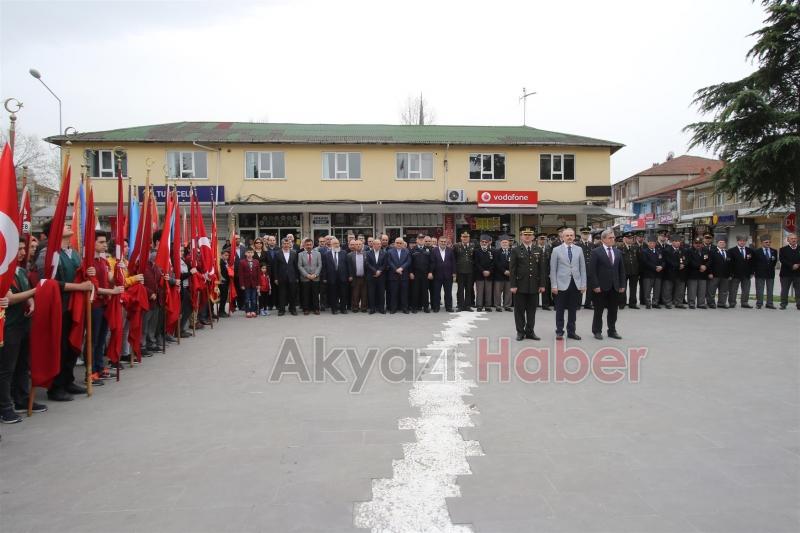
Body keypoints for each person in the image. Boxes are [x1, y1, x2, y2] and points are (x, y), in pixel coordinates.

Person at [48, 225, 95, 402]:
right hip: (60, 306)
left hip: (77, 307)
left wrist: (89, 272)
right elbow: (50, 283)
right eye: (64, 224)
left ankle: (68, 380)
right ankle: (56, 386)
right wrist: (78, 287)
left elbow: (82, 274)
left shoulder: (74, 253)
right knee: (61, 347)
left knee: (73, 345)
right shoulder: (50, 253)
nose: (68, 225)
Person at [0, 240, 44, 424]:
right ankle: (5, 407)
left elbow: (25, 295)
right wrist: (37, 290)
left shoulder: (20, 271)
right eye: (17, 249)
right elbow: (9, 298)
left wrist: (31, 301)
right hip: (8, 326)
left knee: (22, 365)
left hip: (23, 324)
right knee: (6, 369)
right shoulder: (4, 273)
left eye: (23, 249)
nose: (22, 252)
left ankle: (22, 398)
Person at [510, 227, 546, 341]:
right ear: (521, 236)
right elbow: (513, 269)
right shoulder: (516, 250)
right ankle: (520, 332)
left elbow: (542, 269)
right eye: (525, 234)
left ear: (533, 237)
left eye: (529, 235)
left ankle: (530, 331)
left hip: (534, 286)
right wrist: (513, 285)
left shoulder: (538, 250)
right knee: (519, 310)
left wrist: (542, 285)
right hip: (520, 286)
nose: (527, 236)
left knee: (532, 311)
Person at [588, 229, 625, 340]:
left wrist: (622, 285)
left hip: (615, 286)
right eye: (610, 238)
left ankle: (612, 331)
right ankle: (597, 331)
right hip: (601, 287)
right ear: (603, 239)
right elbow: (592, 271)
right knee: (598, 311)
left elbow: (621, 270)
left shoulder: (617, 252)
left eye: (613, 237)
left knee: (613, 310)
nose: (613, 239)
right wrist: (595, 286)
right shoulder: (596, 252)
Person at [550, 227, 586, 340]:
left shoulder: (579, 249)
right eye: (567, 235)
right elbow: (553, 269)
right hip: (561, 285)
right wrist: (554, 285)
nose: (569, 237)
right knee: (560, 309)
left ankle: (571, 332)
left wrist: (583, 284)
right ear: (562, 237)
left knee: (573, 310)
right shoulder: (556, 250)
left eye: (571, 235)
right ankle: (559, 331)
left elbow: (582, 268)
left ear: (574, 237)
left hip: (575, 284)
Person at [273, 238, 299, 316]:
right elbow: (275, 267)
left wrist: (297, 277)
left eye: (288, 243)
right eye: (284, 243)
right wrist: (276, 278)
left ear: (290, 244)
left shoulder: (294, 253)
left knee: (292, 294)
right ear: (282, 244)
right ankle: (281, 309)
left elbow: (296, 266)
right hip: (281, 277)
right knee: (282, 294)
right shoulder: (277, 253)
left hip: (292, 277)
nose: (286, 245)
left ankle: (292, 309)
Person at [322, 237, 349, 314]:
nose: (336, 245)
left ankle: (343, 309)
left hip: (343, 277)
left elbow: (347, 265)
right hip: (331, 278)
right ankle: (334, 309)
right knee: (333, 294)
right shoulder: (326, 254)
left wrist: (349, 275)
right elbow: (324, 267)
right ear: (331, 244)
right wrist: (324, 277)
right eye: (334, 243)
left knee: (343, 294)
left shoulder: (344, 253)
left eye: (337, 243)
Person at [662, 234, 688, 309]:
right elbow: (668, 261)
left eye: (678, 241)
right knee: (668, 289)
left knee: (680, 289)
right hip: (670, 273)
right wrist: (678, 265)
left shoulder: (683, 250)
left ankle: (678, 303)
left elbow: (686, 259)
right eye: (676, 241)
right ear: (672, 242)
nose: (677, 243)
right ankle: (668, 302)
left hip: (680, 273)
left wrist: (684, 264)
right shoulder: (667, 250)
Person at [728, 235, 754, 308]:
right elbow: (729, 264)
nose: (742, 242)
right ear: (737, 241)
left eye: (744, 241)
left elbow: (752, 263)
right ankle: (732, 302)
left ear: (746, 242)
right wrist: (730, 274)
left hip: (746, 274)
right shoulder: (731, 251)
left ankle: (744, 302)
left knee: (746, 289)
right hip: (735, 274)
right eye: (740, 241)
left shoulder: (750, 251)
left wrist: (752, 272)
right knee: (733, 289)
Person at [430, 236, 455, 313]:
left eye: (444, 241)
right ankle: (436, 307)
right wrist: (430, 272)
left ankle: (448, 307)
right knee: (436, 292)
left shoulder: (450, 250)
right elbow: (432, 262)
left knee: (448, 292)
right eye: (441, 241)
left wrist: (454, 273)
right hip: (437, 275)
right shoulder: (434, 250)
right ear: (438, 242)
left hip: (448, 275)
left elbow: (453, 262)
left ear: (446, 242)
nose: (443, 243)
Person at [298, 238, 322, 315]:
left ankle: (316, 309)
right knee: (305, 295)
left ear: (312, 245)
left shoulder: (318, 254)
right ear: (304, 245)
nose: (309, 246)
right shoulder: (300, 254)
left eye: (310, 244)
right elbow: (300, 266)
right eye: (307, 244)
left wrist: (315, 274)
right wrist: (307, 275)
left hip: (315, 277)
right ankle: (306, 309)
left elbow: (320, 265)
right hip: (305, 278)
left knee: (315, 294)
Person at [409, 235, 433, 313]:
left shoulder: (428, 250)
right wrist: (411, 272)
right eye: (419, 239)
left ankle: (426, 307)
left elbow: (431, 262)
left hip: (425, 274)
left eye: (422, 239)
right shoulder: (413, 250)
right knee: (415, 291)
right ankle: (415, 307)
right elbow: (410, 263)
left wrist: (430, 272)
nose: (421, 240)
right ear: (417, 240)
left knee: (425, 291)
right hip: (415, 274)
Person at [387, 237, 411, 313]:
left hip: (404, 276)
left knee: (404, 293)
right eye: (397, 243)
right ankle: (393, 308)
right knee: (394, 293)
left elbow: (408, 261)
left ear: (403, 243)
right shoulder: (390, 252)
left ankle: (405, 308)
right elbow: (389, 262)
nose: (399, 244)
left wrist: (401, 268)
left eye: (400, 243)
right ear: (395, 243)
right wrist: (396, 269)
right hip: (393, 276)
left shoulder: (407, 251)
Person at [753, 235, 778, 309]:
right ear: (761, 243)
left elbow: (774, 261)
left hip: (770, 273)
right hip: (760, 273)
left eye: (769, 242)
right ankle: (759, 303)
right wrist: (754, 272)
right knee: (760, 289)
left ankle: (769, 303)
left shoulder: (774, 251)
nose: (768, 243)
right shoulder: (757, 251)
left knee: (770, 289)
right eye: (766, 242)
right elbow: (754, 263)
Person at [640, 236, 664, 309]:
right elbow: (645, 262)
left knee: (657, 290)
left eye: (653, 243)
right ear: (648, 243)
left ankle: (655, 303)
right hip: (648, 274)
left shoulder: (659, 251)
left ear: (655, 243)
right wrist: (655, 268)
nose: (652, 244)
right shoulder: (644, 251)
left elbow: (663, 261)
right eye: (651, 243)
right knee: (647, 290)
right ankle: (648, 303)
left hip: (658, 273)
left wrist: (662, 266)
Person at [454, 231, 475, 311]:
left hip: (470, 271)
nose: (465, 238)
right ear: (461, 238)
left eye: (467, 237)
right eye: (463, 237)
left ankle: (467, 305)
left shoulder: (473, 246)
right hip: (460, 271)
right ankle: (460, 305)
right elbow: (454, 259)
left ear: (469, 238)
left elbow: (475, 259)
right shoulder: (456, 246)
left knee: (469, 289)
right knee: (460, 289)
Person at [686, 238, 711, 309]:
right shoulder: (689, 251)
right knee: (692, 290)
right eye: (696, 243)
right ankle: (691, 303)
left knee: (702, 290)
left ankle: (701, 303)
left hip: (703, 274)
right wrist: (700, 266)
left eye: (699, 243)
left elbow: (709, 260)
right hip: (693, 274)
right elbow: (690, 261)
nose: (698, 245)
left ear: (702, 244)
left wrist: (705, 266)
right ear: (693, 244)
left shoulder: (706, 251)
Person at [365, 238, 387, 314]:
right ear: (373, 245)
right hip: (371, 276)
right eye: (375, 244)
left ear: (380, 245)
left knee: (381, 293)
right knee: (371, 293)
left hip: (381, 276)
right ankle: (372, 308)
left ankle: (381, 308)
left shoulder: (384, 253)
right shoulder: (368, 253)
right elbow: (367, 264)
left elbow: (385, 264)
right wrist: (375, 271)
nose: (377, 245)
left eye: (379, 244)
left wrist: (379, 271)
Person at [778, 234, 800, 310]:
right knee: (784, 290)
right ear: (788, 240)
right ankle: (783, 304)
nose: (794, 240)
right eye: (792, 238)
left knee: (798, 290)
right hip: (786, 273)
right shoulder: (783, 249)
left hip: (798, 273)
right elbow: (782, 260)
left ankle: (799, 304)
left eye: (795, 238)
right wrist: (792, 265)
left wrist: (798, 265)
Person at [708, 239, 732, 309]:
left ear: (725, 244)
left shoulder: (728, 252)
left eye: (723, 242)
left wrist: (730, 274)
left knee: (724, 290)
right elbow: (709, 263)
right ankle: (711, 303)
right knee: (712, 290)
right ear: (717, 243)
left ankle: (722, 303)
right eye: (720, 242)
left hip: (725, 275)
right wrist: (710, 273)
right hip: (715, 275)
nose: (722, 243)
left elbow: (730, 265)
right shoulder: (712, 252)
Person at [474, 234, 494, 312]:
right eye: (482, 242)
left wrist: (489, 271)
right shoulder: (476, 251)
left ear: (488, 242)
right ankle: (479, 305)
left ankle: (488, 306)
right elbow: (476, 263)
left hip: (489, 274)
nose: (484, 243)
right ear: (480, 242)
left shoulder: (492, 251)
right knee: (479, 291)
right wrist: (483, 271)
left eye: (486, 242)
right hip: (480, 274)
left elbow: (493, 263)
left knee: (488, 291)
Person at [619, 232, 640, 309]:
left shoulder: (636, 248)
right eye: (628, 238)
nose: (630, 239)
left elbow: (639, 260)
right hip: (624, 272)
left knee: (633, 288)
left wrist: (638, 271)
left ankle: (633, 303)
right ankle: (622, 303)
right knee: (623, 288)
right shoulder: (620, 248)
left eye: (631, 238)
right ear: (624, 239)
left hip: (634, 271)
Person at [347, 240, 368, 313]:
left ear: (362, 245)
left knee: (364, 293)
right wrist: (350, 275)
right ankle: (355, 307)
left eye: (360, 244)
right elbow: (349, 266)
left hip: (364, 277)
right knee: (355, 294)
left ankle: (364, 307)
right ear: (354, 246)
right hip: (355, 277)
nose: (358, 245)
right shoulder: (350, 255)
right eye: (357, 244)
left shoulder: (366, 254)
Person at [239, 247, 260, 318]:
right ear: (245, 253)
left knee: (254, 298)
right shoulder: (242, 262)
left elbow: (258, 274)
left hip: (254, 284)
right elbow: (241, 274)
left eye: (251, 252)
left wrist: (258, 284)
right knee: (247, 298)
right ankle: (247, 311)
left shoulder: (256, 261)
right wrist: (242, 284)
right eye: (248, 252)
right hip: (246, 283)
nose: (249, 254)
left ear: (253, 253)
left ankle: (253, 311)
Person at [493, 237, 513, 311]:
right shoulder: (497, 252)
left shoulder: (512, 252)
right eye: (503, 242)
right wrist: (504, 271)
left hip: (509, 275)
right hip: (499, 275)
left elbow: (514, 263)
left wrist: (510, 271)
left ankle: (507, 305)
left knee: (508, 292)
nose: (505, 244)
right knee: (497, 292)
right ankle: (498, 305)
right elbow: (496, 263)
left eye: (506, 242)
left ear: (508, 243)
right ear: (500, 244)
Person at [576, 227, 594, 309]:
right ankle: (578, 304)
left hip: (590, 269)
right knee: (580, 287)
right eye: (584, 234)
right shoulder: (577, 245)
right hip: (580, 270)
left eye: (587, 234)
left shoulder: (592, 245)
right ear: (581, 235)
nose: (585, 235)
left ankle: (588, 303)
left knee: (590, 288)